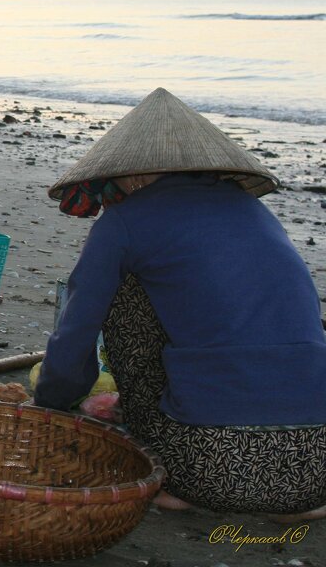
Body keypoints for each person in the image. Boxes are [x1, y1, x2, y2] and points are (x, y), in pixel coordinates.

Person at [33, 87, 326, 520]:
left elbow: (77, 330)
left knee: (124, 290)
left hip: (209, 469)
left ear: (131, 175)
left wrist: (51, 405)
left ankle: (183, 477)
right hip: (313, 469)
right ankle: (285, 501)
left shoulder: (125, 222)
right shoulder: (256, 214)